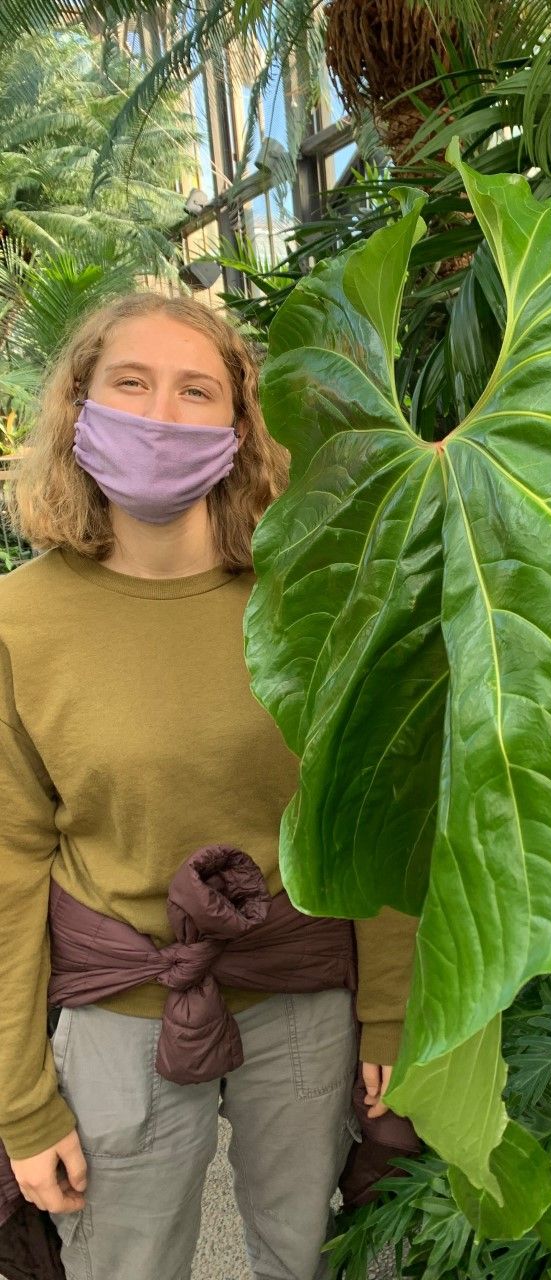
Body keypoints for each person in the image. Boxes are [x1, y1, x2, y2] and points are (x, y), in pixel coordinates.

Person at [0, 292, 418, 1280]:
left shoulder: (310, 599)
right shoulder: (20, 623)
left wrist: (392, 1012)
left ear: (239, 428)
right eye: (130, 384)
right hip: (121, 1007)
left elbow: (377, 805)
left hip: (303, 991)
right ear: (79, 407)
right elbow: (10, 864)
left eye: (197, 391)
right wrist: (21, 1099)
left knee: (312, 1249)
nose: (160, 415)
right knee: (130, 1263)